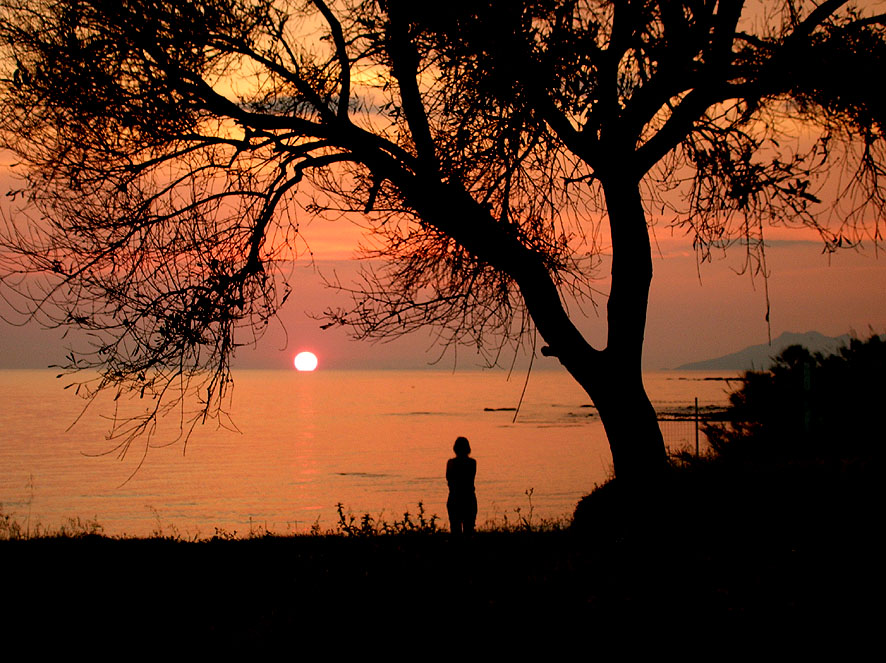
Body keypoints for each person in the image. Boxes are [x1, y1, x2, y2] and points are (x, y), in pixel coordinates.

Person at [446, 436, 477, 536]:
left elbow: (449, 479)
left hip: (454, 499)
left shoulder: (450, 463)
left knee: (455, 531)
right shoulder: (472, 463)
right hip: (469, 499)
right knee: (469, 530)